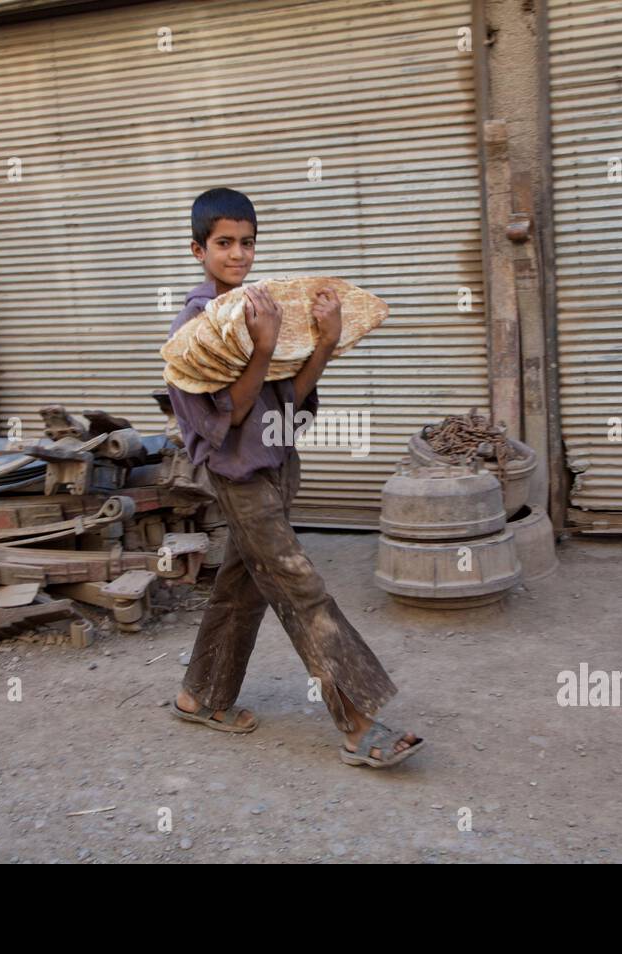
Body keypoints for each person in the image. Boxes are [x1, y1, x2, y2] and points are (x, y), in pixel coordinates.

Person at [165, 187, 423, 768]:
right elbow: (226, 416)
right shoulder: (195, 328)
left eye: (247, 242)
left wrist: (325, 344)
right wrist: (259, 350)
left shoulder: (266, 306)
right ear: (198, 250)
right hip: (238, 479)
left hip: (278, 469)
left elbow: (288, 401)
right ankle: (357, 722)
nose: (239, 255)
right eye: (224, 244)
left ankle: (200, 696)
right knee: (301, 589)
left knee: (241, 588)